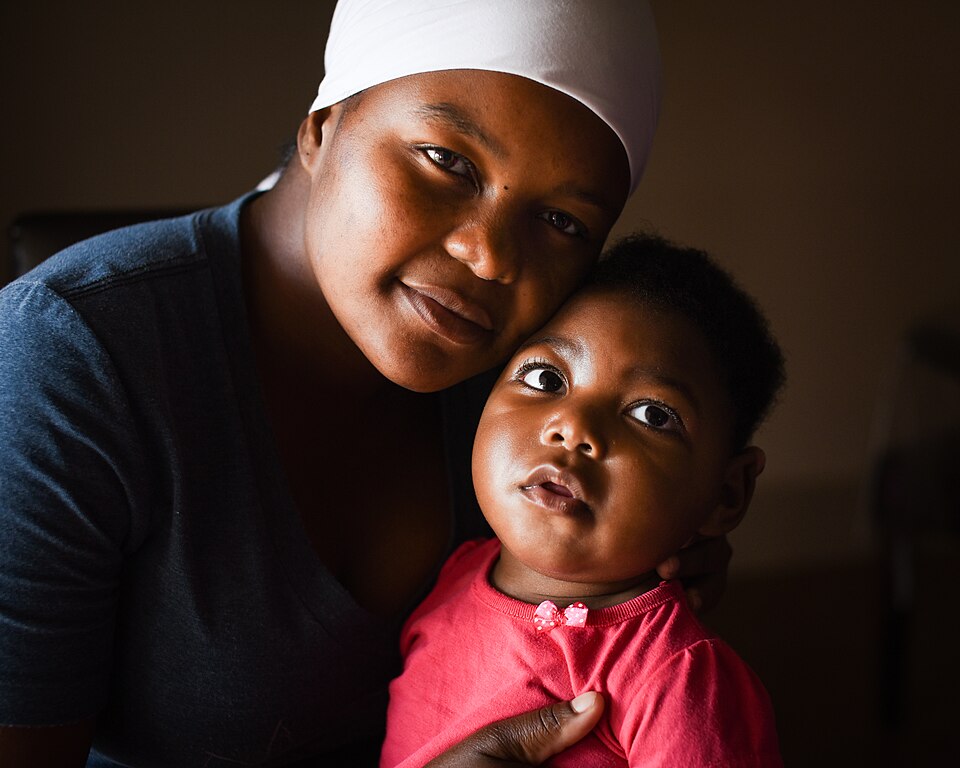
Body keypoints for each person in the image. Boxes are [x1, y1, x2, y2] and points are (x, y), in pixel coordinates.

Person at [0, 2, 729, 765]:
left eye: (563, 222)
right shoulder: (72, 359)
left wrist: (633, 572)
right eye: (448, 162)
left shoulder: (539, 386)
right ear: (322, 123)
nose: (489, 257)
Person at [381, 234, 786, 767]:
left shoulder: (677, 679)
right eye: (546, 378)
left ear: (726, 495)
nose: (574, 427)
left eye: (652, 415)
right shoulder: (451, 576)